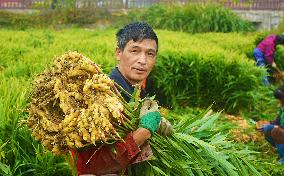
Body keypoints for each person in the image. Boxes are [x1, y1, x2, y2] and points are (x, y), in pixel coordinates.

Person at [73, 22, 173, 175]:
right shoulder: (102, 96)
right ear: (118, 53)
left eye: (150, 54)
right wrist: (144, 132)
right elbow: (89, 165)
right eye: (135, 51)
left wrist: (156, 126)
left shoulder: (136, 91)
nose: (143, 61)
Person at [259, 85, 284, 164]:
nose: (279, 101)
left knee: (275, 131)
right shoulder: (282, 108)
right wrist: (267, 124)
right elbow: (277, 121)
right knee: (267, 131)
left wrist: (272, 127)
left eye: (281, 99)